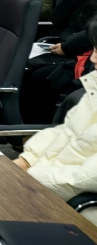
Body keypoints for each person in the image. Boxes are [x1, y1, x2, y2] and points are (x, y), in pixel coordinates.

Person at [15, 26, 97, 225]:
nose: (93, 59)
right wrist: (27, 160)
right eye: (94, 50)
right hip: (46, 187)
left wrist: (28, 178)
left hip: (77, 212)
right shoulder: (94, 88)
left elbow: (85, 178)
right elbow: (67, 132)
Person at [20, 0, 97, 123]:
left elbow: (91, 34)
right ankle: (21, 124)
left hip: (84, 57)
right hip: (64, 46)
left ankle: (39, 126)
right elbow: (56, 20)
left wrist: (66, 47)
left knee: (41, 78)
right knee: (23, 68)